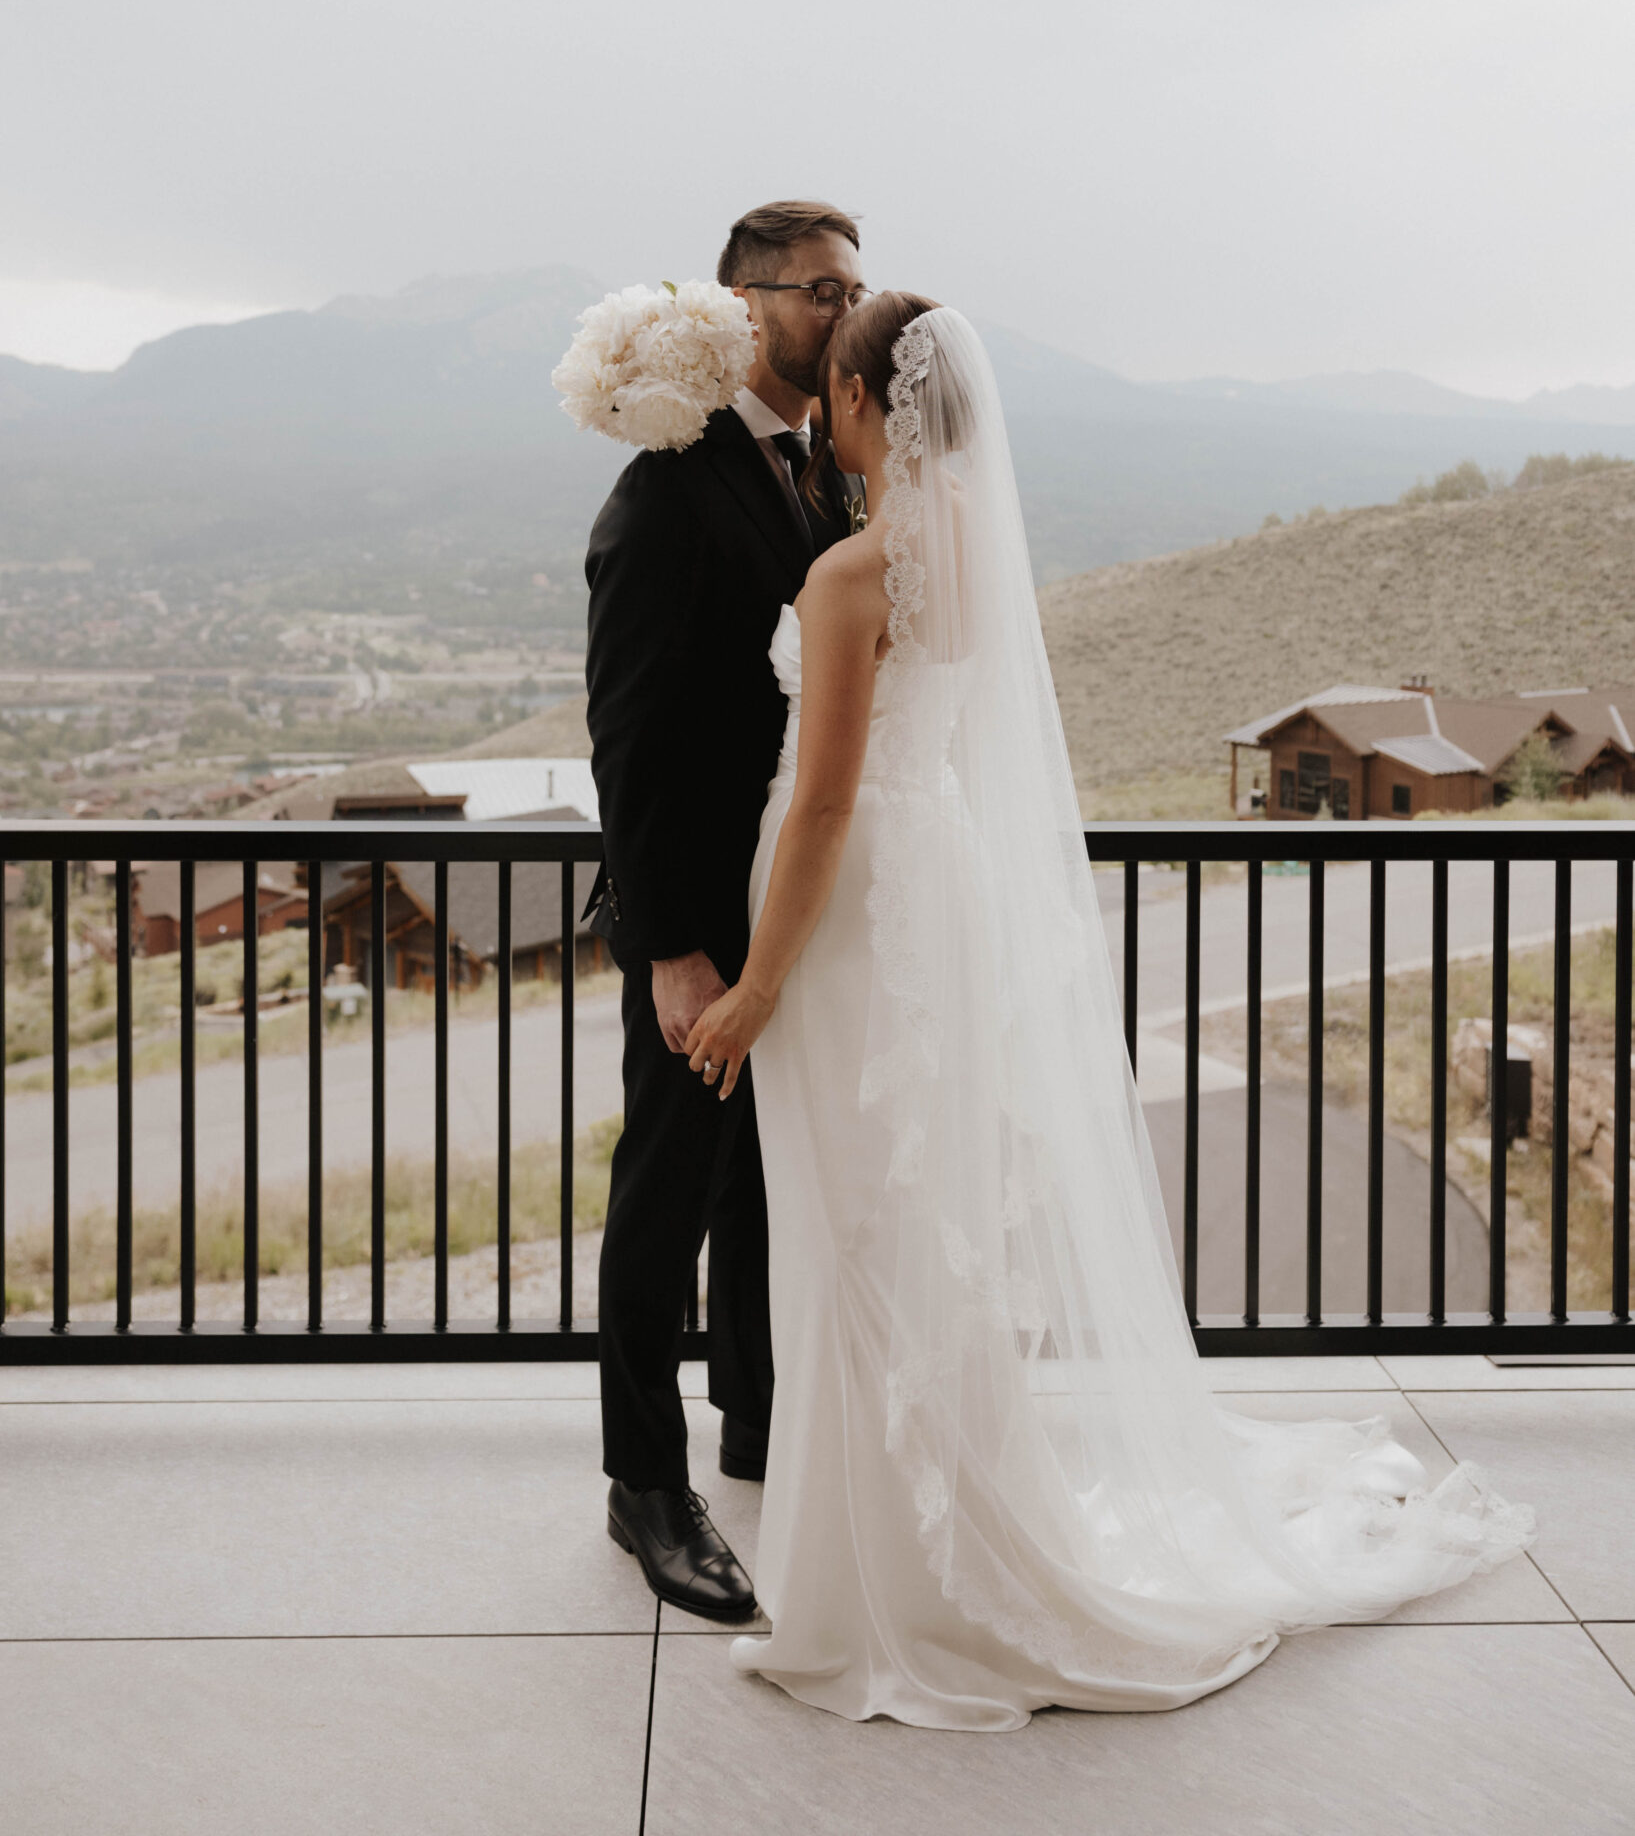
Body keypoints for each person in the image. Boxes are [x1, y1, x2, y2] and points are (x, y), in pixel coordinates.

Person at [684, 292, 1534, 1728]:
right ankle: (944, 1535)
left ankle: (889, 1586)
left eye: (831, 390)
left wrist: (758, 982)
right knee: (916, 1218)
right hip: (930, 885)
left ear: (859, 403)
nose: (822, 412)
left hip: (848, 917)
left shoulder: (852, 573)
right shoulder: (970, 555)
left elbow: (825, 796)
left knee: (856, 1227)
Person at [585, 198, 863, 1621]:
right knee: (667, 1195)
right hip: (701, 913)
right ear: (746, 305)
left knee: (766, 1181)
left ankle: (756, 1423)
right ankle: (647, 1486)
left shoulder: (818, 473)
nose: (845, 309)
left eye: (852, 285)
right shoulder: (667, 485)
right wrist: (672, 944)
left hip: (788, 902)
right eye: (822, 288)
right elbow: (628, 743)